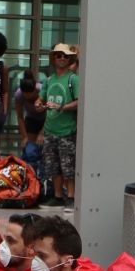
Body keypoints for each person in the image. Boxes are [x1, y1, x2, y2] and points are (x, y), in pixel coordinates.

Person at [39, 43, 79, 207]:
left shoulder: (73, 79)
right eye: (58, 55)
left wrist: (62, 107)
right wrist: (38, 104)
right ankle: (57, 196)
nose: (61, 58)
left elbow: (79, 102)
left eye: (65, 56)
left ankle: (70, 197)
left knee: (68, 166)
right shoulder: (49, 80)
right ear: (54, 59)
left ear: (69, 59)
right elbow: (41, 99)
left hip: (67, 130)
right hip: (50, 130)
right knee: (52, 166)